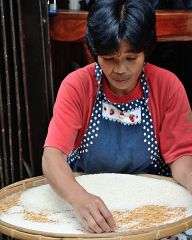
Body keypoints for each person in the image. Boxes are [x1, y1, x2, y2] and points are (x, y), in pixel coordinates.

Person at [42, 0, 192, 238]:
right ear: (95, 53)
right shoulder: (77, 86)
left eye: (131, 58)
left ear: (146, 51)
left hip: (152, 208)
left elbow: (182, 158)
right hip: (91, 204)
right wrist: (79, 199)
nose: (120, 69)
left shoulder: (168, 86)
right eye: (109, 59)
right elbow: (52, 156)